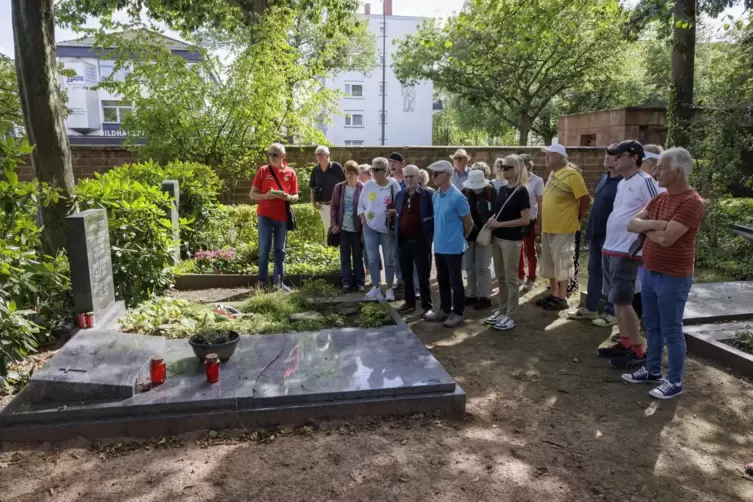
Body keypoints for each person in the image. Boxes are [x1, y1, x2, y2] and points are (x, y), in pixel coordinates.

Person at [622, 147, 704, 400]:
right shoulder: (660, 198)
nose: (655, 171)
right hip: (650, 271)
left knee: (671, 329)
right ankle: (653, 370)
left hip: (673, 277)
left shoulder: (691, 202)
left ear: (678, 172)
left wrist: (647, 230)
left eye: (661, 168)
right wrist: (656, 225)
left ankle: (674, 381)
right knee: (652, 325)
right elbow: (631, 223)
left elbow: (668, 240)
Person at [593, 141, 663, 371]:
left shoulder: (645, 181)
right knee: (616, 301)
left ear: (634, 157)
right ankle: (625, 343)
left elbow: (658, 207)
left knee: (624, 300)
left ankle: (637, 350)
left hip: (627, 250)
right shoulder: (624, 182)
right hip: (612, 247)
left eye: (619, 155)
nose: (614, 159)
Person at [568, 145, 622, 327]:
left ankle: (610, 313)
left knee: (612, 276)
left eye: (612, 155)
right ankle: (591, 309)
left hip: (612, 237)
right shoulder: (604, 177)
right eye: (607, 153)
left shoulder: (624, 183)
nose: (607, 156)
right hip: (596, 235)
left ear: (622, 159)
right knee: (594, 271)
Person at [537, 144, 591, 310]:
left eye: (549, 155)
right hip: (548, 227)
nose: (546, 158)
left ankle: (562, 297)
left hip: (564, 228)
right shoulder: (553, 174)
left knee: (562, 264)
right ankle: (553, 294)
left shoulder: (572, 175)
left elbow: (585, 200)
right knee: (550, 264)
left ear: (560, 157)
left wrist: (578, 216)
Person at [423, 160, 473, 328]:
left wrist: (460, 238)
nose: (433, 177)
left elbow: (469, 223)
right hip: (439, 246)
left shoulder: (458, 197)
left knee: (455, 281)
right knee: (442, 279)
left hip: (453, 247)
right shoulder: (436, 195)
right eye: (432, 174)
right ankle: (445, 309)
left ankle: (457, 312)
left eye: (436, 174)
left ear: (446, 175)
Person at [484, 155, 531, 331]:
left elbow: (525, 219)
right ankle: (502, 310)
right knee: (501, 278)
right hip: (498, 238)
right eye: (502, 167)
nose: (503, 170)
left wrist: (500, 224)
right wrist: (493, 221)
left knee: (511, 279)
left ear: (517, 169)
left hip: (511, 240)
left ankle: (511, 315)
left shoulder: (522, 191)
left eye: (507, 167)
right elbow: (499, 213)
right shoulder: (502, 189)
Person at [249, 143, 299, 289]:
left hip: (282, 217)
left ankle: (278, 283)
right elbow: (252, 194)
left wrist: (288, 197)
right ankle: (262, 282)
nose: (271, 157)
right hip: (264, 216)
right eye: (269, 154)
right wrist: (266, 196)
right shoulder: (263, 171)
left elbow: (296, 196)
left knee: (280, 250)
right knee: (264, 249)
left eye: (275, 155)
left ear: (283, 156)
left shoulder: (291, 173)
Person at [357, 157, 401, 301]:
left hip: (387, 228)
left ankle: (389, 289)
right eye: (372, 169)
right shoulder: (368, 185)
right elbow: (361, 205)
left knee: (389, 258)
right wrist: (363, 218)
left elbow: (400, 205)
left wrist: (394, 212)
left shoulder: (394, 185)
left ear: (385, 171)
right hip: (369, 227)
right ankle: (376, 287)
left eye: (375, 170)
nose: (372, 172)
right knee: (373, 258)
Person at [394, 165, 435, 314]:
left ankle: (427, 306)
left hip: (421, 240)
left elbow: (434, 218)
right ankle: (409, 302)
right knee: (406, 275)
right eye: (406, 177)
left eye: (411, 176)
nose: (408, 179)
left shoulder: (428, 194)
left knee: (423, 275)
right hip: (403, 241)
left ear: (418, 177)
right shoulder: (400, 195)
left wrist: (430, 237)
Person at [461, 168, 497, 310]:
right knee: (469, 266)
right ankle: (471, 294)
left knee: (483, 267)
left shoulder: (491, 192)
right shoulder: (464, 192)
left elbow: (496, 212)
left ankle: (485, 296)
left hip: (485, 234)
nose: (476, 190)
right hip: (469, 234)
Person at [330, 161, 365, 292]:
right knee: (344, 256)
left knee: (357, 256)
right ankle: (346, 282)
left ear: (357, 175)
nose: (349, 176)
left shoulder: (363, 188)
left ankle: (359, 282)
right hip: (343, 228)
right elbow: (333, 207)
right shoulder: (339, 188)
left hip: (357, 229)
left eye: (352, 174)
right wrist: (334, 224)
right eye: (347, 173)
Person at [517, 154, 545, 291]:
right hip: (516, 220)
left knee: (529, 250)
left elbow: (540, 204)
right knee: (517, 248)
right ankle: (520, 274)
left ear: (528, 165)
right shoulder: (516, 179)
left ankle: (531, 276)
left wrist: (540, 223)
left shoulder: (537, 181)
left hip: (530, 220)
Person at [309, 146, 345, 241]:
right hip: (323, 206)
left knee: (338, 228)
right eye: (317, 154)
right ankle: (330, 251)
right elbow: (312, 187)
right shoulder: (315, 170)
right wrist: (313, 202)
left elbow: (344, 185)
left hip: (336, 205)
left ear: (328, 155)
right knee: (327, 229)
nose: (318, 156)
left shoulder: (336, 167)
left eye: (320, 154)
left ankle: (339, 251)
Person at [388, 152, 406, 291]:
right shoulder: (387, 181)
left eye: (395, 162)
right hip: (392, 223)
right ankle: (400, 279)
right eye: (390, 162)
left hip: (407, 222)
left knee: (408, 252)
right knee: (395, 252)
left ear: (402, 163)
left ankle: (411, 281)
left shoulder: (409, 179)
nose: (392, 165)